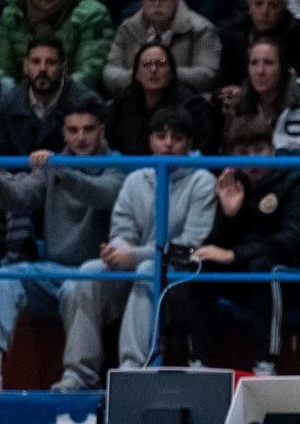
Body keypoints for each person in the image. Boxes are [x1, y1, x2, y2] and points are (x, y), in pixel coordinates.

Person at [60, 107, 217, 382]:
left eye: (177, 138)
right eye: (161, 136)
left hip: (184, 277)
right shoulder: (136, 180)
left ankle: (133, 372)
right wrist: (116, 249)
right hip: (138, 265)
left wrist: (135, 255)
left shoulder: (202, 181)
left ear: (189, 144)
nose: (168, 144)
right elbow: (123, 231)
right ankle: (77, 375)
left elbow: (192, 246)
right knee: (86, 273)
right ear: (150, 141)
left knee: (147, 269)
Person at [0, 96, 123, 394]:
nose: (81, 138)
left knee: (79, 284)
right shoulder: (53, 164)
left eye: (88, 129)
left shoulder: (118, 166)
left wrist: (64, 174)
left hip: (105, 275)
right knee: (5, 277)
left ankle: (77, 378)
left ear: (103, 130)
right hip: (55, 271)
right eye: (73, 131)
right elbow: (20, 198)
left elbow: (104, 194)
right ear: (64, 133)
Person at [169, 117, 300, 374]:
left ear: (272, 150)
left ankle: (265, 363)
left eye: (259, 151)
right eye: (242, 153)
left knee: (264, 268)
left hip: (297, 276)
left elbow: (294, 239)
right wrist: (230, 213)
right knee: (202, 266)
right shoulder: (231, 183)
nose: (252, 161)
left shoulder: (296, 181)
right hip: (246, 274)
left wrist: (235, 253)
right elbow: (217, 244)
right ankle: (200, 362)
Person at [0, 0, 113, 92]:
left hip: (73, 100)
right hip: (21, 99)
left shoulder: (92, 14)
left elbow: (90, 71)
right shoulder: (12, 14)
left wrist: (53, 97)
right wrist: (23, 100)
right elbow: (1, 68)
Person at [103, 0, 221, 95]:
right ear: (142, 2)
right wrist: (141, 75)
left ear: (176, 0)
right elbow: (110, 72)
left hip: (183, 102)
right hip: (136, 98)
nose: (157, 5)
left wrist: (164, 73)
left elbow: (207, 75)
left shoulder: (201, 29)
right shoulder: (128, 28)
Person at [0, 36, 101, 159]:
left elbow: (100, 159)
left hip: (72, 176)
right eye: (36, 62)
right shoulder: (7, 103)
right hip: (18, 177)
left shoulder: (88, 101)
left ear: (64, 68)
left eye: (51, 62)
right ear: (25, 66)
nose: (42, 68)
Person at [106, 41, 219, 157]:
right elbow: (111, 146)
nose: (153, 69)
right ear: (136, 73)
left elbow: (204, 150)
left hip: (183, 172)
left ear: (172, 71)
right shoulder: (122, 103)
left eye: (161, 64)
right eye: (146, 65)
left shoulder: (194, 105)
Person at [222, 38, 300, 155]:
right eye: (254, 63)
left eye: (269, 63)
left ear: (283, 68)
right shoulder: (238, 105)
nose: (260, 71)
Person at [218, 0, 300, 87]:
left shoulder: (296, 37)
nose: (265, 12)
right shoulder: (233, 35)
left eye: (273, 5)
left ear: (283, 9)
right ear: (249, 6)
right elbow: (223, 82)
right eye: (258, 4)